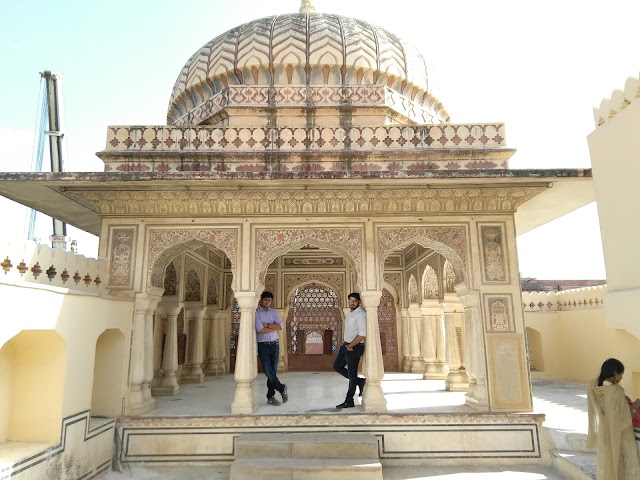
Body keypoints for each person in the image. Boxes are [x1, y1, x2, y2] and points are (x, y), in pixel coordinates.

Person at [587, 357, 640, 479]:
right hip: (620, 434)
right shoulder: (614, 392)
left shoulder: (595, 386)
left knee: (608, 463)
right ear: (615, 374)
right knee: (623, 465)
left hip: (605, 431)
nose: (621, 378)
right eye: (621, 375)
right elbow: (625, 418)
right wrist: (635, 406)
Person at [333, 292, 366, 408]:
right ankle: (360, 382)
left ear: (359, 302)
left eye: (354, 301)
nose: (352, 303)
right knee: (337, 366)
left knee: (352, 374)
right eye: (350, 301)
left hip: (354, 347)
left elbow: (362, 334)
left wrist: (351, 345)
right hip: (347, 346)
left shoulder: (360, 314)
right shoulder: (351, 313)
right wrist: (346, 343)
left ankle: (349, 400)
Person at [255, 291, 288, 406]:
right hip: (263, 345)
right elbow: (260, 329)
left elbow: (280, 326)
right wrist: (272, 327)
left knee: (272, 372)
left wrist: (267, 325)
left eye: (269, 300)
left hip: (274, 344)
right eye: (265, 300)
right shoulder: (256, 312)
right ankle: (281, 387)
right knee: (268, 371)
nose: (267, 302)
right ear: (261, 300)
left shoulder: (273, 311)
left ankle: (270, 397)